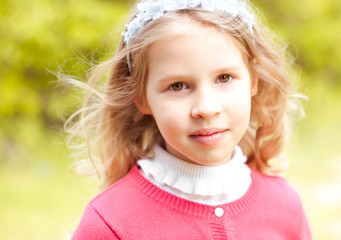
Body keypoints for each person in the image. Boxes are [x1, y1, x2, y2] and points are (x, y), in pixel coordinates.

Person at [67, 0, 312, 239]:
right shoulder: (109, 223)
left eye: (224, 78)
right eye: (178, 86)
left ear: (253, 80)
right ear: (141, 97)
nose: (206, 108)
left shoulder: (284, 205)